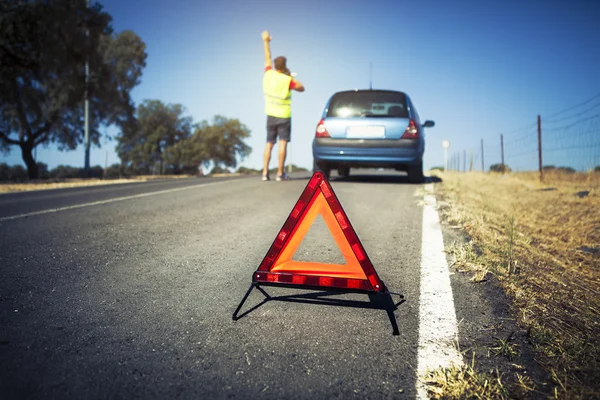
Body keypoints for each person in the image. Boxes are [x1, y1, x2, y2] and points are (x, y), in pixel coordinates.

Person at [261, 30, 305, 181]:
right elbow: (301, 87)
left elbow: (267, 56)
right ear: (285, 66)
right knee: (282, 144)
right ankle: (280, 173)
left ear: (274, 65)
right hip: (284, 116)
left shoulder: (268, 74)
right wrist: (289, 75)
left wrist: (266, 41)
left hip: (270, 114)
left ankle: (265, 173)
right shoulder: (287, 80)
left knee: (269, 143)